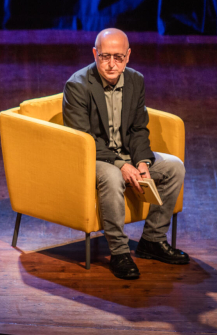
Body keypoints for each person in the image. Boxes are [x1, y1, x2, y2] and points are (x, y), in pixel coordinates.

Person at [62, 28, 188, 280]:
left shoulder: (135, 80)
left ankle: (152, 240)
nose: (111, 64)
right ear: (95, 54)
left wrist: (142, 162)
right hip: (93, 157)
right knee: (111, 176)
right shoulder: (77, 85)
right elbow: (84, 138)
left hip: (127, 154)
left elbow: (138, 128)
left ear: (128, 56)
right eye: (105, 56)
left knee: (174, 166)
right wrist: (121, 165)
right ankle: (119, 252)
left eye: (118, 57)